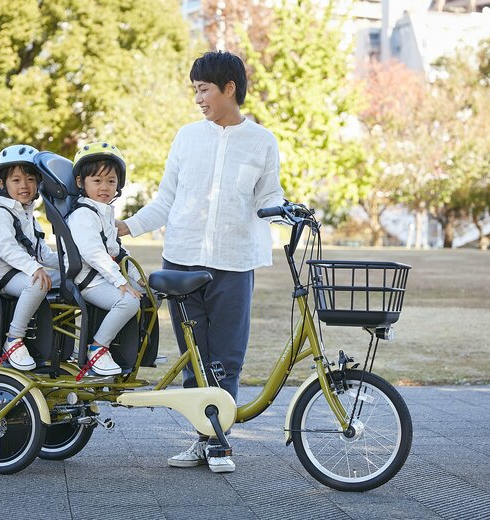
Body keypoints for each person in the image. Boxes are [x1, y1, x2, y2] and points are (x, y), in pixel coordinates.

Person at [117, 51, 285, 473]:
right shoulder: (186, 137)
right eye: (195, 90)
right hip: (183, 261)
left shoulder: (262, 141)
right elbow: (166, 201)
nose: (198, 99)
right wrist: (127, 227)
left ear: (229, 88)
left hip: (234, 261)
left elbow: (269, 196)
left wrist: (284, 210)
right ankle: (205, 439)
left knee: (226, 357)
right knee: (195, 356)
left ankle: (218, 445)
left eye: (204, 89)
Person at [67, 142, 143, 376]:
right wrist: (121, 282)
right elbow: (94, 253)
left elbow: (117, 250)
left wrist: (138, 279)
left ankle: (130, 350)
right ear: (81, 182)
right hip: (88, 281)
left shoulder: (104, 212)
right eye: (97, 181)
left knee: (151, 295)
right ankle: (98, 348)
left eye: (111, 181)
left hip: (103, 278)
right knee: (128, 301)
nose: (105, 187)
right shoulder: (83, 214)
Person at [0, 144, 60, 371]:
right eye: (16, 180)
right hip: (6, 276)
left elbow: (42, 253)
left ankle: (60, 345)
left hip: (25, 272)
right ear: (2, 184)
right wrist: (35, 268)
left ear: (38, 183)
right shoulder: (0, 214)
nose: (24, 186)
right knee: (37, 283)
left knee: (75, 278)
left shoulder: (27, 214)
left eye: (30, 179)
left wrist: (73, 264)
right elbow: (7, 250)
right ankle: (14, 340)